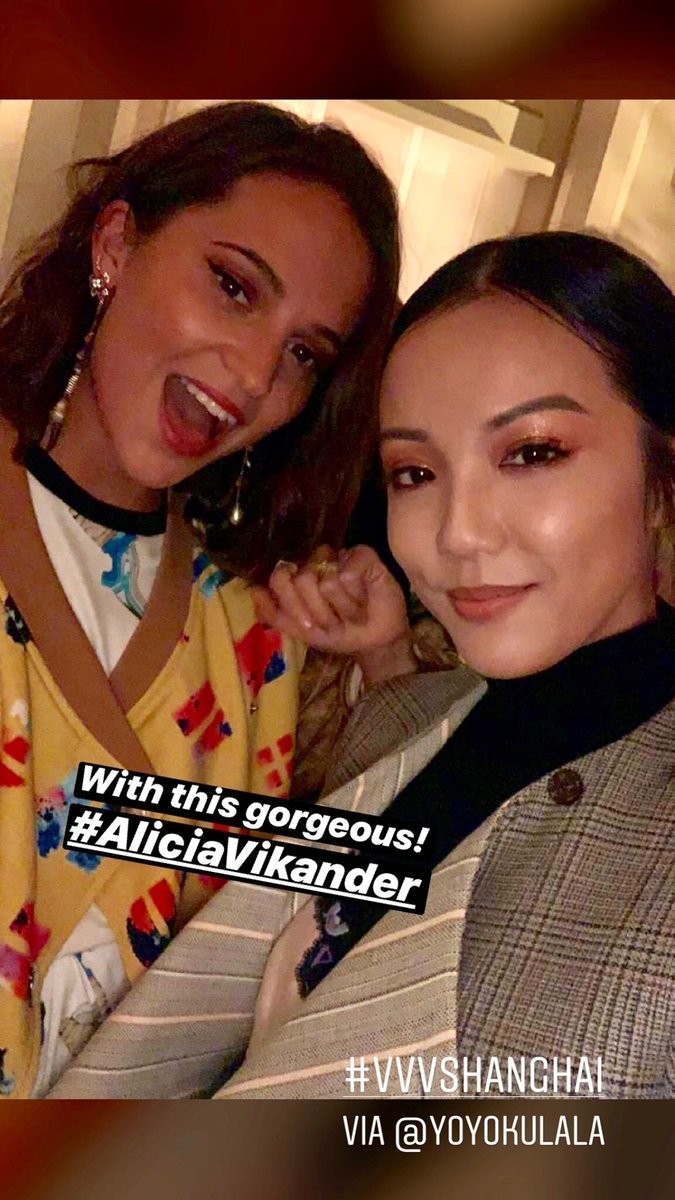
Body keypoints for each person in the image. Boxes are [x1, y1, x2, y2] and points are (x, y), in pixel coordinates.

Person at [48, 230, 675, 1101]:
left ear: (662, 473)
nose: (458, 532)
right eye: (414, 472)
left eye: (532, 453)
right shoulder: (400, 722)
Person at [0, 100, 402, 1099]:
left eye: (305, 354)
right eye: (233, 287)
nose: (256, 373)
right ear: (117, 246)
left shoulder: (258, 639)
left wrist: (384, 663)